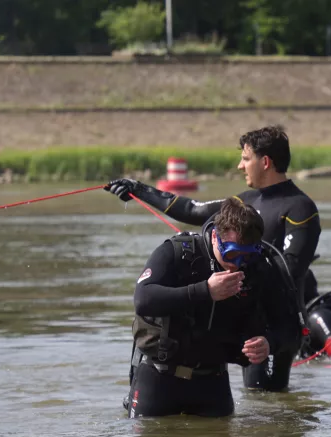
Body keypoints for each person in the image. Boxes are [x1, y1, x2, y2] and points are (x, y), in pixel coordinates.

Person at [106, 125, 319, 390]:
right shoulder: (244, 203)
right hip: (242, 311)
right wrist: (140, 190)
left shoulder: (300, 207)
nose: (240, 166)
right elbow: (192, 209)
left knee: (268, 398)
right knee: (245, 392)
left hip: (276, 320)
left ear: (265, 162)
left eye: (245, 158)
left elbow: (292, 268)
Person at [126, 198, 298, 417]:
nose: (238, 264)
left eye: (247, 256)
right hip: (159, 376)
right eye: (232, 254)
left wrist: (269, 343)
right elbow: (143, 300)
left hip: (213, 382)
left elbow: (292, 328)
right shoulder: (178, 253)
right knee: (148, 436)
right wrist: (205, 291)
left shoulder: (261, 268)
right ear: (216, 237)